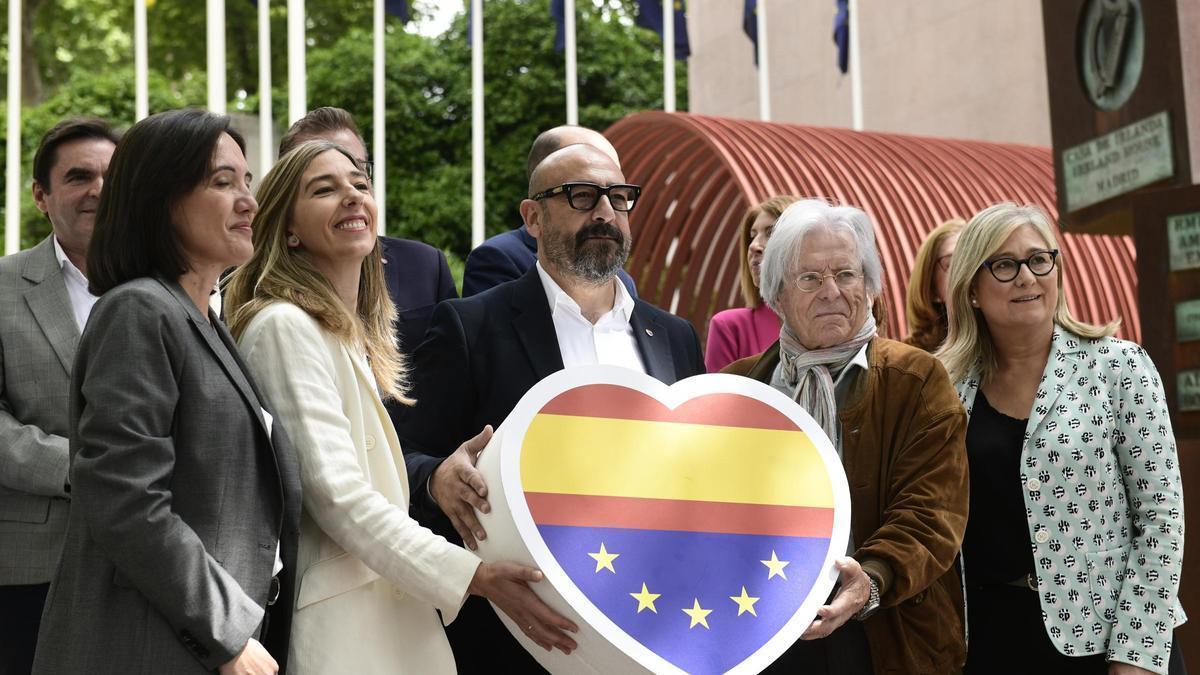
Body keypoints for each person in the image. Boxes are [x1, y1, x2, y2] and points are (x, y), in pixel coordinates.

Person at [224, 140, 578, 673]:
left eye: (360, 184)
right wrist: (474, 576)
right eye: (324, 189)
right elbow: (337, 496)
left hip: (393, 617)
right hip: (346, 629)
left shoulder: (342, 333)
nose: (351, 196)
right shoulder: (283, 325)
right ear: (288, 229)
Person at [397, 143, 705, 671]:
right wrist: (434, 479)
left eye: (619, 198)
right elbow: (399, 453)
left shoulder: (674, 336)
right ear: (533, 217)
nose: (605, 213)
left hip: (653, 627)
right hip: (518, 634)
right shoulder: (471, 327)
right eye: (582, 196)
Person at [31, 108, 301, 675]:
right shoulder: (139, 310)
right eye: (222, 182)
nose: (248, 201)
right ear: (160, 198)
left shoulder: (201, 319)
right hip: (145, 646)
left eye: (247, 181)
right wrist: (227, 634)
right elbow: (127, 501)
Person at [936, 202, 1186, 675]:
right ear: (971, 289)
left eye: (1038, 259)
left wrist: (1135, 656)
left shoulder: (1120, 367)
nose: (1027, 277)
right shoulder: (947, 387)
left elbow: (1161, 517)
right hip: (992, 643)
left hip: (1113, 642)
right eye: (1005, 265)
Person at [723, 199, 968, 674]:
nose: (831, 291)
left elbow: (932, 512)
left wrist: (871, 580)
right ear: (775, 291)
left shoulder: (917, 379)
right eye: (809, 277)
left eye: (847, 274)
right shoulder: (741, 389)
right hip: (759, 630)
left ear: (871, 286)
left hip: (883, 634)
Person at [0, 117, 118, 674]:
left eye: (111, 176)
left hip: (148, 569)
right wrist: (78, 467)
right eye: (78, 177)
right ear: (41, 197)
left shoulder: (172, 287)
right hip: (33, 570)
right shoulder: (2, 287)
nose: (98, 189)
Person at [277, 106, 457, 356]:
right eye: (325, 186)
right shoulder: (274, 316)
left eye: (358, 176)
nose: (352, 194)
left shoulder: (426, 265)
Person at [462, 124, 638, 299]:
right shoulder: (498, 258)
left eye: (617, 194)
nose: (606, 214)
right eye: (583, 193)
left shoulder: (622, 281)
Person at [704, 195, 796, 372]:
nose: (754, 245)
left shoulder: (832, 324)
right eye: (752, 236)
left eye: (770, 233)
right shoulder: (729, 327)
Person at [903, 218, 964, 352]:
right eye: (953, 263)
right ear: (932, 289)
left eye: (973, 259)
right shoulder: (908, 363)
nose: (967, 270)